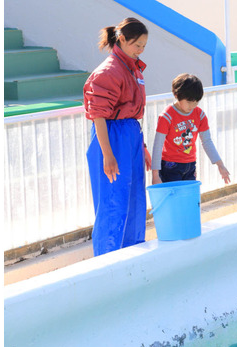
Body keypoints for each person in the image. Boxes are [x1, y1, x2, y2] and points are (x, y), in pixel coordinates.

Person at [83, 17, 151, 256]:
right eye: (137, 45)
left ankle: (132, 254)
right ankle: (107, 261)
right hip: (111, 136)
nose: (141, 50)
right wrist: (108, 154)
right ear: (122, 39)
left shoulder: (132, 67)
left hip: (130, 134)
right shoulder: (109, 71)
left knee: (134, 200)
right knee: (113, 203)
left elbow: (132, 113)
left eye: (144, 46)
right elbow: (98, 116)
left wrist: (141, 147)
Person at [151, 73, 230, 185]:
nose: (192, 106)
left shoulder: (200, 115)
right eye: (189, 102)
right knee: (175, 200)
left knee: (188, 199)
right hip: (170, 166)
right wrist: (155, 175)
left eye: (196, 102)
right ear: (177, 95)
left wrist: (220, 164)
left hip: (190, 165)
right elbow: (158, 146)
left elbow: (207, 141)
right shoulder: (166, 116)